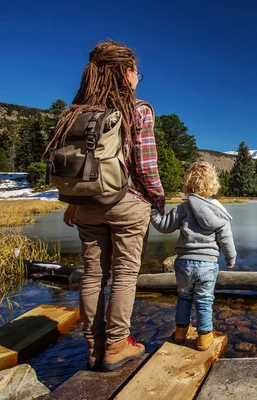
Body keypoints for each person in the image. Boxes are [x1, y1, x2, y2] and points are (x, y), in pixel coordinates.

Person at [58, 41, 165, 371]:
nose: (137, 78)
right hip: (127, 203)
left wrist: (74, 201)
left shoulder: (75, 112)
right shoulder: (138, 109)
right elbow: (146, 166)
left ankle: (94, 346)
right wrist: (157, 200)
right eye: (136, 72)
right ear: (127, 71)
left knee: (92, 275)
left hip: (87, 205)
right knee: (124, 274)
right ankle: (118, 344)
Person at [151, 162, 236, 350]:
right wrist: (230, 258)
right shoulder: (219, 212)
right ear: (213, 186)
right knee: (204, 300)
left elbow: (164, 226)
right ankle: (204, 337)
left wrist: (154, 212)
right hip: (207, 264)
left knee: (184, 297)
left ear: (188, 184)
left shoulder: (184, 208)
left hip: (184, 263)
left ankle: (180, 334)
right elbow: (226, 240)